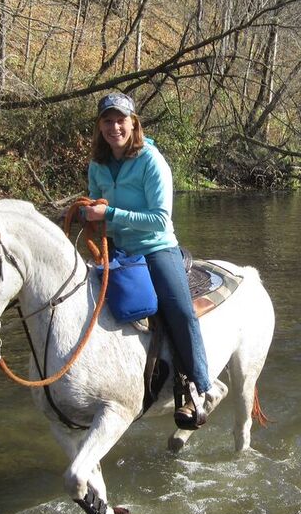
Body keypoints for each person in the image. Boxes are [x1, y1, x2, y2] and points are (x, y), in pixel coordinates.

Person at [82, 92, 212, 429]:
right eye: (107, 121)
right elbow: (98, 210)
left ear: (133, 123)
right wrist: (91, 218)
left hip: (156, 247)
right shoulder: (97, 164)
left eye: (120, 120)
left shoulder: (152, 160)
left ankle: (198, 386)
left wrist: (108, 212)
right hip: (117, 247)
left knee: (179, 309)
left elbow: (159, 218)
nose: (114, 127)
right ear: (100, 125)